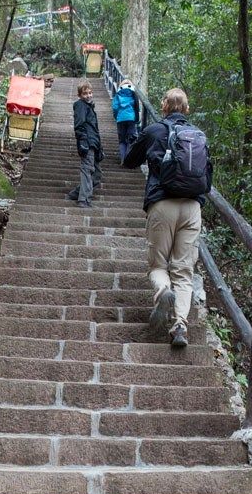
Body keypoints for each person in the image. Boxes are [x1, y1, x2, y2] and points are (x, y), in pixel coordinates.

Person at [123, 87, 212, 347]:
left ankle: (163, 292)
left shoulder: (154, 131)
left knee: (159, 266)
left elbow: (129, 161)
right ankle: (180, 326)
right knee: (184, 272)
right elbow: (206, 177)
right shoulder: (197, 135)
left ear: (163, 106)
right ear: (186, 109)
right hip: (192, 207)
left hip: (162, 204)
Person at [67, 81, 104, 208]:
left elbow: (94, 128)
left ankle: (75, 193)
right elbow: (79, 125)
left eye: (90, 93)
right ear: (79, 95)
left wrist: (99, 146)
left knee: (97, 175)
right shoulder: (80, 105)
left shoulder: (89, 107)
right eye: (85, 93)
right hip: (87, 143)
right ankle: (83, 199)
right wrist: (83, 142)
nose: (88, 95)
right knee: (87, 170)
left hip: (94, 143)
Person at [111, 78, 140, 163]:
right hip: (131, 118)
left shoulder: (118, 94)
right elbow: (137, 107)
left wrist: (117, 117)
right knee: (131, 139)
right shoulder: (133, 94)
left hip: (121, 119)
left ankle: (123, 159)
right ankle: (128, 158)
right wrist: (137, 119)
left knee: (122, 140)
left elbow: (115, 107)